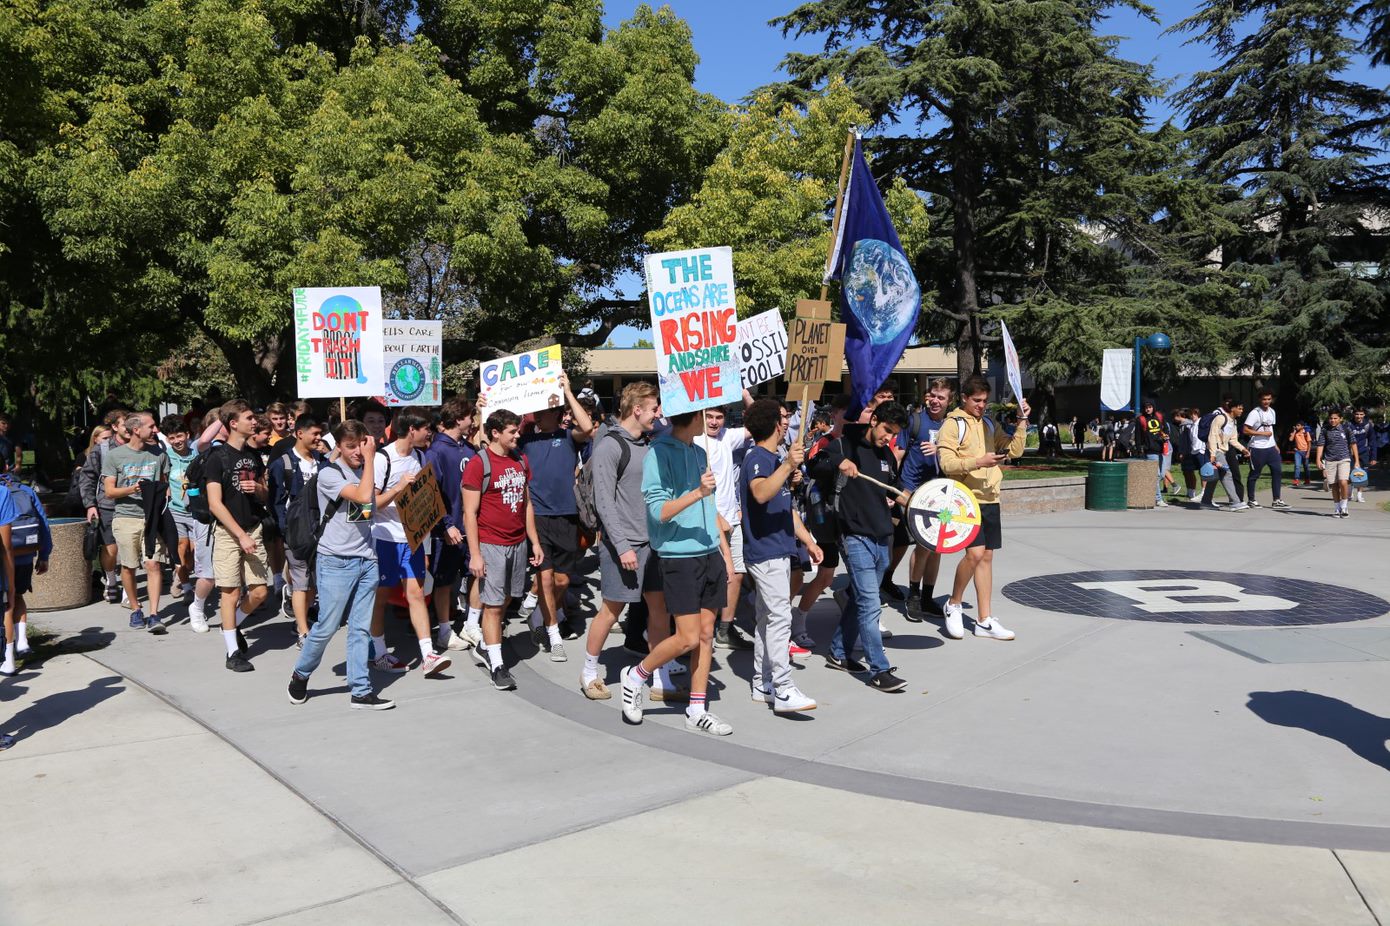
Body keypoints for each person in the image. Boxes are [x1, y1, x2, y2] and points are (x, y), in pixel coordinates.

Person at [620, 409, 733, 735]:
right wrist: (697, 492)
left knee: (706, 634)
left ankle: (696, 710)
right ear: (693, 417)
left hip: (709, 553)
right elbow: (658, 512)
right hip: (678, 558)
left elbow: (710, 510)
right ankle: (637, 675)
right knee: (686, 636)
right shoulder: (657, 453)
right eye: (704, 414)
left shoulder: (700, 452)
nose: (711, 420)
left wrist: (724, 554)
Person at [287, 422, 395, 710]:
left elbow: (371, 506)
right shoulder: (328, 474)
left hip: (367, 560)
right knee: (327, 626)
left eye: (362, 444)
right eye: (351, 446)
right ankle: (300, 674)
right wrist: (371, 459)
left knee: (360, 629)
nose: (359, 451)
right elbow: (361, 496)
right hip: (335, 561)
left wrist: (397, 485)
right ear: (339, 448)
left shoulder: (364, 471)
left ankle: (360, 690)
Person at [810, 400, 910, 692]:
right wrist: (838, 463)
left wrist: (923, 502)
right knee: (870, 604)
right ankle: (879, 669)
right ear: (874, 420)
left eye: (894, 434)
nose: (888, 438)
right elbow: (814, 464)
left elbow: (896, 486)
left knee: (859, 599)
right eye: (886, 430)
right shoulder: (843, 445)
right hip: (853, 536)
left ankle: (839, 652)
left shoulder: (886, 455)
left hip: (881, 537)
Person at [580, 382, 662, 700]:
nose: (659, 413)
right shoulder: (610, 447)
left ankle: (660, 679)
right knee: (611, 611)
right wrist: (623, 545)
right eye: (654, 408)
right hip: (623, 547)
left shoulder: (649, 444)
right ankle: (589, 673)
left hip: (652, 544)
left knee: (659, 610)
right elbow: (604, 502)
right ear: (636, 409)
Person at [740, 399, 821, 713]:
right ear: (775, 424)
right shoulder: (758, 458)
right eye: (784, 418)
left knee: (766, 620)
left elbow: (785, 508)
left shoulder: (774, 459)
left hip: (778, 549)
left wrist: (808, 541)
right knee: (779, 619)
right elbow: (760, 493)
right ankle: (784, 689)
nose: (788, 422)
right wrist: (788, 466)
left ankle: (764, 684)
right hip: (766, 551)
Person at [937, 375, 1029, 642]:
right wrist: (978, 462)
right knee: (975, 554)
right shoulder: (953, 425)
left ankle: (984, 620)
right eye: (977, 401)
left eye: (985, 401)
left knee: (986, 557)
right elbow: (947, 464)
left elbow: (1015, 450)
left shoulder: (989, 423)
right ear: (964, 398)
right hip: (965, 499)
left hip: (990, 498)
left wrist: (1022, 421)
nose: (981, 406)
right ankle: (953, 603)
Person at [463, 408, 544, 691]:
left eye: (518, 430)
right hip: (491, 544)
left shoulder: (520, 459)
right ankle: (496, 663)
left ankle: (488, 642)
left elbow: (526, 504)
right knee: (494, 606)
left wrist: (534, 541)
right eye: (512, 431)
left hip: (518, 542)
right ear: (495, 433)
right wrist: (475, 553)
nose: (518, 435)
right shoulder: (479, 464)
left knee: (509, 597)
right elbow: (469, 513)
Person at [366, 409, 450, 676]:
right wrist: (399, 488)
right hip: (384, 539)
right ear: (411, 429)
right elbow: (371, 504)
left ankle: (428, 655)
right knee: (380, 597)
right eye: (426, 428)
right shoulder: (382, 458)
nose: (430, 433)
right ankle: (378, 651)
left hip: (412, 540)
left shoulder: (421, 456)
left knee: (416, 594)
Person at [519, 371, 596, 654]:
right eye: (535, 412)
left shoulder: (567, 437)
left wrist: (568, 391)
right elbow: (486, 442)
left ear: (556, 413)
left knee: (562, 580)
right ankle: (552, 632)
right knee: (546, 578)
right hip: (537, 516)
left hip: (567, 516)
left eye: (542, 412)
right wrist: (482, 410)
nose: (536, 416)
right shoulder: (525, 441)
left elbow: (587, 428)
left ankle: (540, 615)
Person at [204, 400, 271, 671]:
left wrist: (256, 487)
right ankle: (233, 653)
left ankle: (231, 625)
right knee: (230, 593)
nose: (254, 422)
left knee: (260, 592)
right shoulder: (217, 457)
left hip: (254, 528)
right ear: (234, 423)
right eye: (249, 418)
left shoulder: (254, 456)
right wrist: (241, 535)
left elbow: (265, 495)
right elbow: (214, 503)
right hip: (229, 534)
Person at [692, 404, 758, 652]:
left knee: (737, 575)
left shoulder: (728, 436)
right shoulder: (695, 441)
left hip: (733, 518)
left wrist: (744, 396)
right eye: (709, 416)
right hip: (707, 518)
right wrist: (716, 514)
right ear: (701, 416)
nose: (714, 422)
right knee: (707, 577)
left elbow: (758, 424)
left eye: (719, 417)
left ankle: (725, 629)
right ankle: (699, 633)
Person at [101, 412, 171, 634]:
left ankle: (154, 614)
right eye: (151, 426)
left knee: (153, 564)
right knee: (129, 566)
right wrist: (133, 489)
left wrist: (164, 497)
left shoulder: (159, 455)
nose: (156, 430)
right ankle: (135, 608)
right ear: (136, 429)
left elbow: (164, 484)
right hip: (125, 517)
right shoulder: (115, 456)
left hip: (151, 518)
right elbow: (109, 491)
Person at [896, 378, 953, 621]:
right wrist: (895, 491)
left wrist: (939, 450)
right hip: (913, 492)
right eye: (932, 395)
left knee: (937, 547)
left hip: (940, 493)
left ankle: (928, 598)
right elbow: (897, 455)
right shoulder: (915, 421)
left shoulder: (952, 426)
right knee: (923, 545)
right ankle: (914, 596)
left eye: (941, 397)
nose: (935, 401)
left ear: (950, 401)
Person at [268, 415, 327, 646]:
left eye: (320, 433)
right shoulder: (283, 464)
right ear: (300, 433)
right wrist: (285, 530)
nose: (319, 438)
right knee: (301, 580)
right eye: (315, 433)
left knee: (313, 583)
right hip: (296, 533)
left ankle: (301, 619)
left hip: (321, 531)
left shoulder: (322, 462)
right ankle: (303, 632)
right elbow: (275, 502)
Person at [425, 397, 477, 653]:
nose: (473, 421)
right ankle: (444, 630)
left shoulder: (469, 450)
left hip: (472, 529)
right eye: (470, 416)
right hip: (448, 532)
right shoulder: (436, 451)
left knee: (476, 574)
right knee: (444, 582)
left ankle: (473, 624)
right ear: (459, 419)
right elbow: (431, 493)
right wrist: (446, 525)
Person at [0, 464, 50, 675]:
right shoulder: (23, 489)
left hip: (7, 557)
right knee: (14, 599)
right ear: (5, 466)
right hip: (23, 555)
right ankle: (20, 643)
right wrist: (44, 554)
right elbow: (43, 522)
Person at [79, 410, 127, 603]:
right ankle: (111, 579)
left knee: (131, 550)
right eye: (126, 424)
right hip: (108, 505)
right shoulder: (102, 449)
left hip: (134, 506)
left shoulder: (140, 446)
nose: (131, 428)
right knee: (112, 549)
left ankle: (128, 588)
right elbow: (87, 477)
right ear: (115, 427)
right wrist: (90, 505)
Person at [160, 415, 199, 598]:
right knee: (181, 546)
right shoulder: (166, 457)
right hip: (175, 509)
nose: (177, 441)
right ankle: (187, 586)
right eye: (172, 438)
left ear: (187, 434)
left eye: (179, 436)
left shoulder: (196, 456)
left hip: (195, 511)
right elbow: (163, 480)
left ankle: (182, 572)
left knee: (194, 552)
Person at [1199, 398, 1248, 511]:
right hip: (1216, 451)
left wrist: (1243, 449)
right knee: (1226, 473)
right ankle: (1235, 502)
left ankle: (1206, 501)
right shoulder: (1221, 418)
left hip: (1222, 451)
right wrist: (1212, 453)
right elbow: (1212, 435)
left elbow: (1233, 440)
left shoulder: (1233, 422)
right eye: (1239, 408)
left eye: (1242, 409)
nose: (1241, 411)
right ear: (1232, 408)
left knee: (1215, 477)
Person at [1243, 390, 1288, 508]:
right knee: (1255, 474)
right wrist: (1262, 434)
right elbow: (1245, 430)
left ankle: (1276, 500)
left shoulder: (1272, 412)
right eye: (1264, 399)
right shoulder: (1254, 413)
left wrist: (1275, 445)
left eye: (1269, 399)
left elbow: (1270, 430)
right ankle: (1251, 500)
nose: (1266, 401)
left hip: (1271, 448)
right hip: (1257, 448)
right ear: (1260, 400)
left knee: (1277, 472)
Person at [1314, 409, 1358, 518]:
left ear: (1340, 419)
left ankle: (1344, 506)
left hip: (1344, 459)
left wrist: (1357, 460)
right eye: (1331, 418)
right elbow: (1320, 445)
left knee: (1343, 482)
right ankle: (1337, 508)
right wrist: (1318, 459)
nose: (1332, 420)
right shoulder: (1325, 430)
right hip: (1330, 460)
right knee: (1333, 485)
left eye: (1335, 418)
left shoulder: (1346, 429)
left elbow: (1353, 444)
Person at [1136, 400, 1171, 507]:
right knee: (1155, 474)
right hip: (1150, 450)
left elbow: (1165, 429)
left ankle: (1150, 494)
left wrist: (1166, 436)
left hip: (1161, 449)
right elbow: (1138, 436)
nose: (1148, 409)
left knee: (1161, 474)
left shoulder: (1159, 416)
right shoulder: (1140, 419)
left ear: (1153, 407)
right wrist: (1139, 449)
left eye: (1150, 407)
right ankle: (1158, 498)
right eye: (1146, 407)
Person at [1348, 409, 1377, 502]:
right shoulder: (1348, 425)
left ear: (1364, 415)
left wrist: (1373, 457)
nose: (1359, 416)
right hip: (1350, 453)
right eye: (1357, 414)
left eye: (1361, 414)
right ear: (1353, 414)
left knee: (1362, 474)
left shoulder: (1368, 425)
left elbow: (1373, 442)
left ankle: (1359, 495)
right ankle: (1350, 492)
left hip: (1364, 453)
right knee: (1349, 473)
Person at [1290, 422, 1312, 486]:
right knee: (1297, 466)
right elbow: (1291, 439)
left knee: (1306, 466)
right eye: (1296, 425)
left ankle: (1307, 480)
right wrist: (1294, 431)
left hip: (1305, 451)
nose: (1296, 426)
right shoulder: (1295, 433)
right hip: (1298, 452)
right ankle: (1296, 480)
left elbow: (1309, 443)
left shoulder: (1306, 433)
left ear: (1302, 426)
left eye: (1298, 425)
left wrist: (1308, 453)